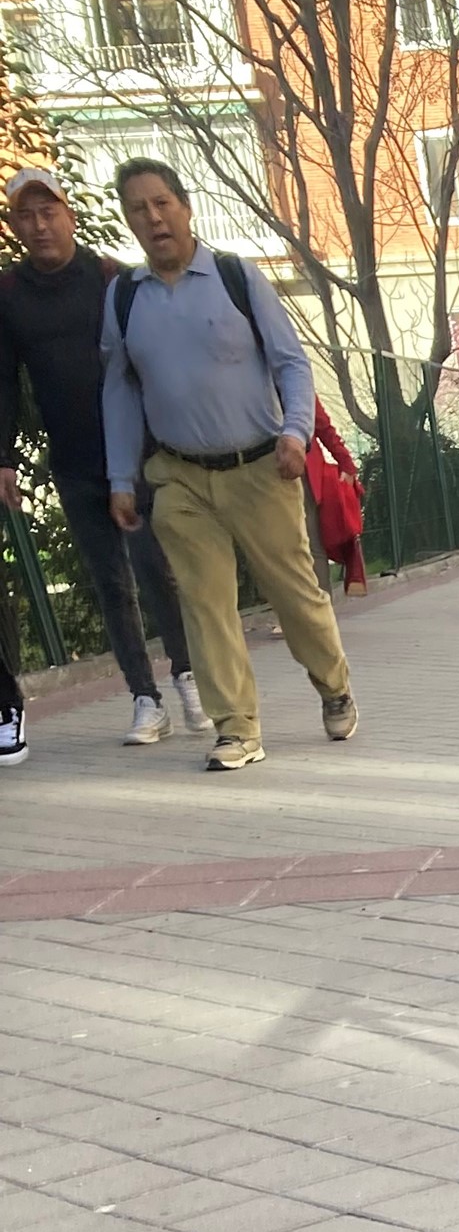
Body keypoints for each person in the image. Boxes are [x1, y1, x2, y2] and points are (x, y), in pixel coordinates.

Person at [100, 158, 356, 774]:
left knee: (295, 598)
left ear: (185, 207)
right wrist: (120, 478)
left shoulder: (237, 277)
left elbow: (292, 363)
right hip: (178, 474)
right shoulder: (125, 296)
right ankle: (235, 727)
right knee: (204, 603)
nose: (153, 217)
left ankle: (334, 685)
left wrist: (297, 434)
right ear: (129, 221)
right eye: (138, 208)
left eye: (162, 203)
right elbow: (119, 389)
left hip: (260, 467)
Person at [0, 164, 209, 755]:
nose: (40, 225)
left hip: (138, 454)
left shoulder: (115, 279)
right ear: (14, 225)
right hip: (72, 461)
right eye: (26, 215)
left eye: (49, 212)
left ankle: (187, 675)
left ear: (68, 214)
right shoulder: (9, 295)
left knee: (157, 570)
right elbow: (4, 384)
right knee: (110, 584)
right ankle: (145, 698)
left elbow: (152, 361)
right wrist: (4, 458)